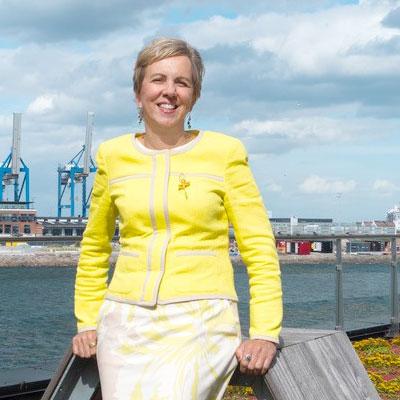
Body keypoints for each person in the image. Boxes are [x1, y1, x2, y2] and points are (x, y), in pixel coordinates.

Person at [73, 37, 283, 400]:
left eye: (182, 82)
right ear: (138, 93)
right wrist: (88, 320)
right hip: (124, 321)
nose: (169, 91)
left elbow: (259, 247)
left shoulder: (224, 153)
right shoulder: (112, 155)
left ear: (194, 95)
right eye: (158, 79)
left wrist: (265, 331)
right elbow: (95, 246)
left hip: (203, 318)